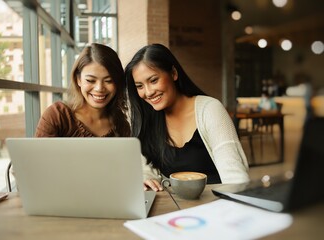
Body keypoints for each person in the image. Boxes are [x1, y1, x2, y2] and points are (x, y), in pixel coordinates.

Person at [125, 43, 249, 191]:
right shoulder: (148, 119)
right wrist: (146, 178)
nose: (148, 92)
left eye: (153, 80)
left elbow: (235, 176)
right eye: (139, 86)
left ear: (173, 73)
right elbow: (147, 169)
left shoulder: (210, 109)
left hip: (218, 204)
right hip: (176, 208)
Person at [35, 43, 130, 137]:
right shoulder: (57, 116)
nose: (99, 88)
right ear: (78, 80)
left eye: (109, 81)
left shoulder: (121, 126)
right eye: (91, 80)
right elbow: (38, 152)